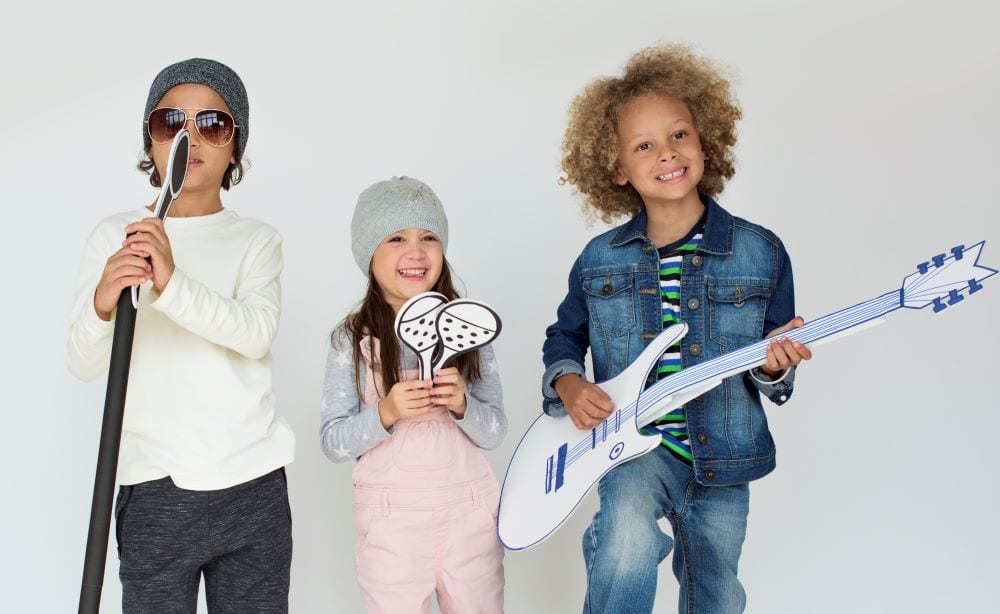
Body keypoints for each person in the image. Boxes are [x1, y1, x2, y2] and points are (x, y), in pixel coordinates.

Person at [542, 44, 813, 613]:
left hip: (725, 457)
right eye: (644, 145)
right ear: (616, 167)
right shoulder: (599, 259)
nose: (667, 153)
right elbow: (564, 338)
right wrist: (568, 384)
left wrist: (773, 367)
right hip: (632, 449)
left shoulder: (759, 253)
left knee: (717, 594)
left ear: (704, 139)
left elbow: (774, 362)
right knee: (624, 544)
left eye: (679, 135)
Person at [66, 58, 294, 613]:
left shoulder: (255, 240)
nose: (190, 137)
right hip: (154, 486)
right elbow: (82, 361)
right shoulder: (115, 236)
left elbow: (254, 333)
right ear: (151, 140)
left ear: (235, 148)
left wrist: (171, 281)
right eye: (172, 122)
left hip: (251, 483)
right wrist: (103, 300)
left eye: (212, 124)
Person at [321, 176, 507, 613]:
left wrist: (463, 405)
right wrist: (384, 413)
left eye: (429, 237)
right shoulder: (351, 341)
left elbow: (496, 430)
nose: (416, 251)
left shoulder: (468, 329)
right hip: (392, 527)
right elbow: (332, 441)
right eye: (396, 238)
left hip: (469, 517)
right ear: (368, 253)